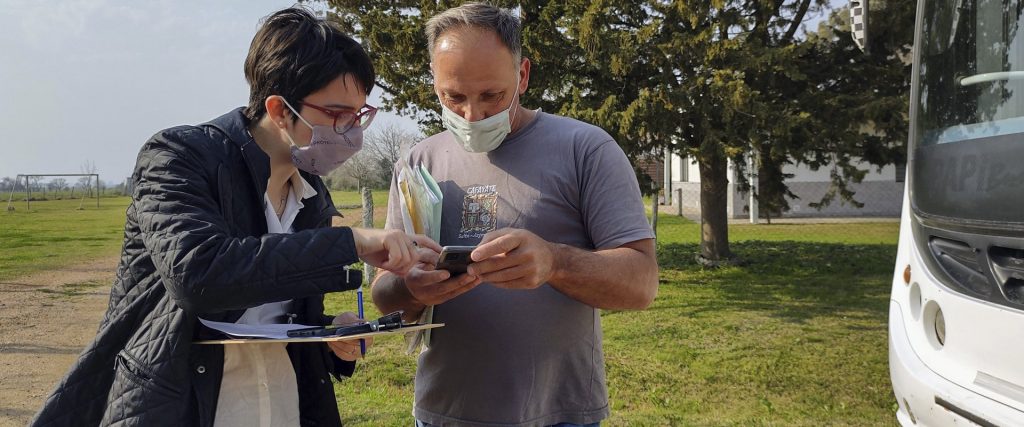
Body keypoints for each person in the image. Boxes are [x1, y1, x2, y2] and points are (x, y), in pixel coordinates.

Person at [31, 7, 439, 427]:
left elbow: (276, 314)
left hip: (281, 404)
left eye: (359, 116)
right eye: (337, 115)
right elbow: (202, 275)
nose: (352, 132)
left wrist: (331, 332)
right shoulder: (178, 157)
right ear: (280, 110)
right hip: (180, 404)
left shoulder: (311, 190)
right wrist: (353, 242)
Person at [371, 3, 659, 426]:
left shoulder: (586, 150)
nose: (472, 115)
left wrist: (555, 262)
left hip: (559, 415)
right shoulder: (417, 163)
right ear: (434, 82)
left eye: (492, 95)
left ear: (522, 75)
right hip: (442, 413)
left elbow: (642, 285)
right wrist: (412, 289)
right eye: (454, 97)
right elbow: (382, 294)